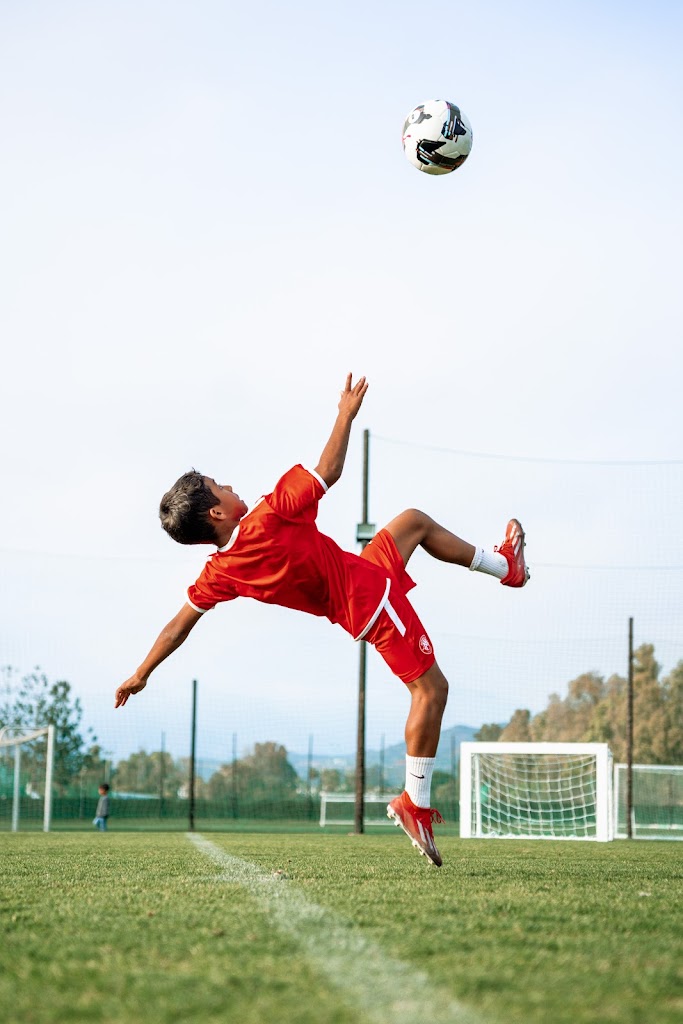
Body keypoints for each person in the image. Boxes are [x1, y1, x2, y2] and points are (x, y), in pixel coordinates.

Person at [114, 374, 529, 867]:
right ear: (217, 513)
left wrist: (142, 672)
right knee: (431, 690)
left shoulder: (220, 571)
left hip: (360, 579)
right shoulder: (269, 514)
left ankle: (506, 567)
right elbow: (327, 470)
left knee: (412, 521)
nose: (229, 485)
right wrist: (345, 414)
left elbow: (178, 625)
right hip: (370, 598)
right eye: (219, 487)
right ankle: (414, 803)